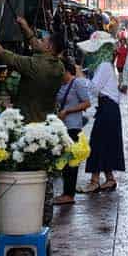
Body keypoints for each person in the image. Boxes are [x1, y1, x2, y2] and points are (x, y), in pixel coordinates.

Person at [0, 14, 64, 124]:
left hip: (28, 122)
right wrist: (25, 27)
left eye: (42, 40)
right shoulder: (60, 66)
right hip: (46, 121)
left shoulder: (33, 65)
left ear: (49, 48)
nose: (38, 40)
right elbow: (36, 45)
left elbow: (0, 52)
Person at [76, 32, 123, 192]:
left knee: (97, 142)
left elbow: (94, 88)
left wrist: (80, 76)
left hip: (108, 107)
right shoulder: (105, 65)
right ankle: (108, 178)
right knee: (104, 143)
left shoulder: (104, 66)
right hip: (108, 107)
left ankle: (95, 181)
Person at [53, 58, 92, 205]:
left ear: (66, 70)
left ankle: (69, 194)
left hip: (73, 127)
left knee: (71, 162)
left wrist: (68, 110)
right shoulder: (61, 85)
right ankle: (66, 193)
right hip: (62, 128)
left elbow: (87, 103)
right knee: (64, 161)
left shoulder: (77, 83)